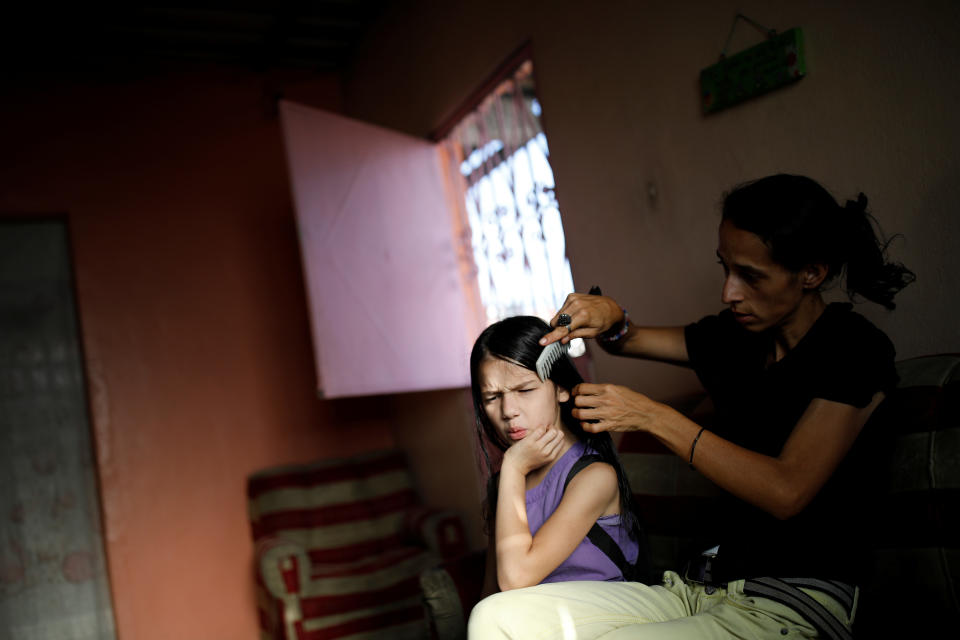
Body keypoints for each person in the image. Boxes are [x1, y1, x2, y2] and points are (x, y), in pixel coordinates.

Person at [467, 174, 915, 639]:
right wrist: (612, 317)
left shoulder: (853, 348)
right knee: (494, 617)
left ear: (812, 273)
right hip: (701, 587)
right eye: (725, 268)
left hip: (792, 598)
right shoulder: (736, 339)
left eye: (750, 275)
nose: (728, 292)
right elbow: (630, 340)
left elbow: (788, 491)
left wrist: (651, 416)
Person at [469, 315, 647, 598]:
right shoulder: (505, 484)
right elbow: (493, 596)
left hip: (602, 617)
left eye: (525, 390)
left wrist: (513, 467)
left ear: (561, 388)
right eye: (492, 397)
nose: (508, 410)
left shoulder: (594, 477)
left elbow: (515, 579)